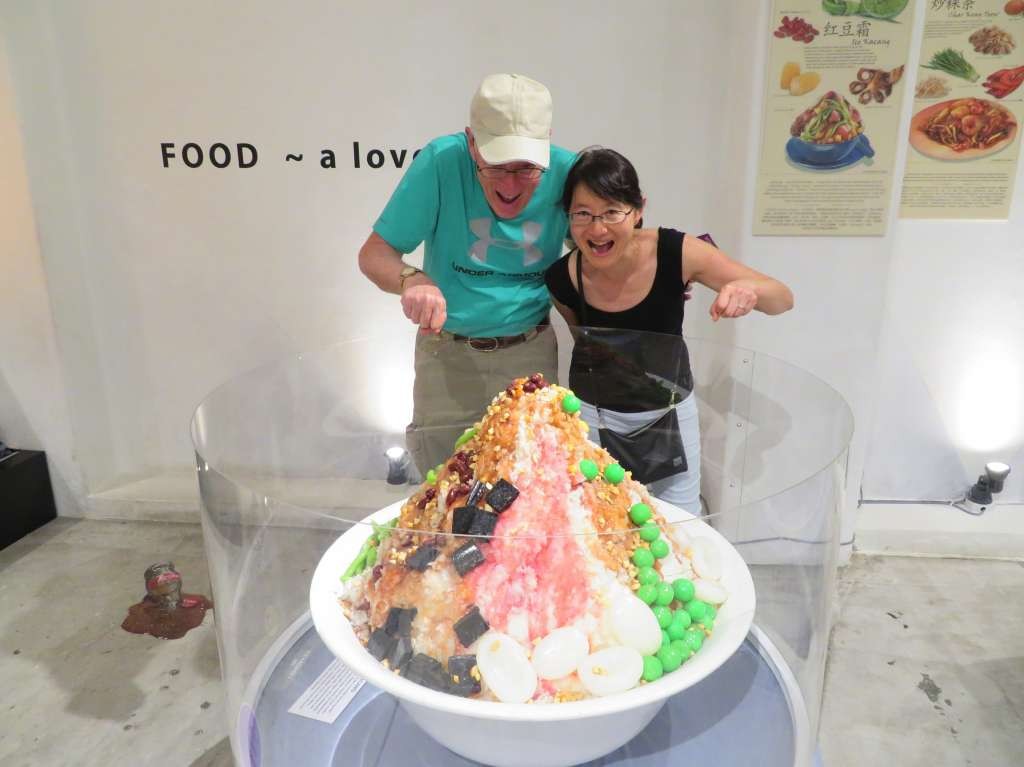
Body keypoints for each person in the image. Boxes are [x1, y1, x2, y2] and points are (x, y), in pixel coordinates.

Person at [544, 148, 793, 513]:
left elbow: (782, 299)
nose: (597, 229)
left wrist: (748, 290)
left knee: (680, 524)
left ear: (638, 209)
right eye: (583, 214)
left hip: (670, 416)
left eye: (612, 212)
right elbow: (587, 349)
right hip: (594, 420)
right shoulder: (561, 279)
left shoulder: (678, 252)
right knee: (600, 523)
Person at [358, 74, 577, 475]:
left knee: (530, 483)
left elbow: (599, 253)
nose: (510, 185)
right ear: (472, 142)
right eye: (495, 166)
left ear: (546, 143)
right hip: (448, 355)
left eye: (526, 168)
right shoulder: (441, 161)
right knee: (443, 484)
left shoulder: (567, 171)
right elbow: (375, 254)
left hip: (529, 352)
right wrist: (412, 279)